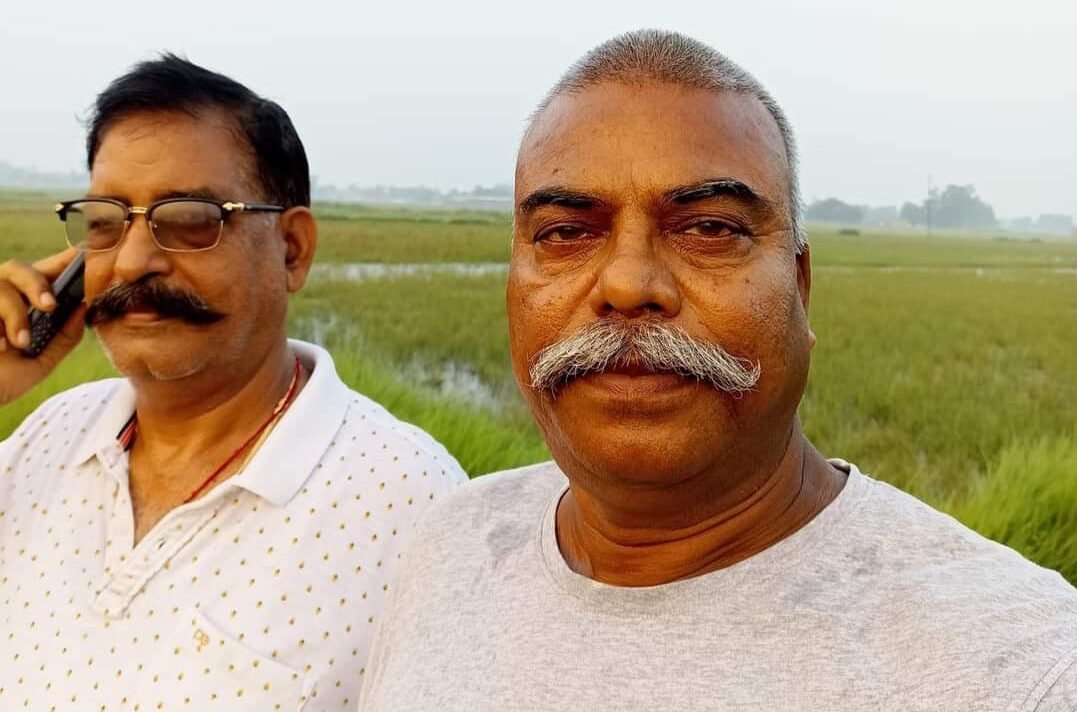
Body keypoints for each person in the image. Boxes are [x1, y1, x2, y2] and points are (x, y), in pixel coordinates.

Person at [358, 30, 1077, 711]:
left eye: (709, 228)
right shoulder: (448, 544)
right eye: (566, 232)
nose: (628, 284)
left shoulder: (1021, 672)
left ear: (799, 287)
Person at [0, 55, 465, 710]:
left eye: (192, 218)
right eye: (105, 221)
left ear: (292, 250)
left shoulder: (413, 503)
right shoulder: (47, 437)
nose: (132, 261)